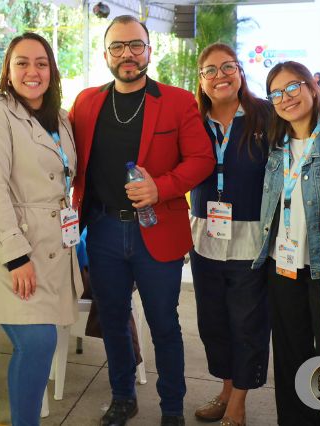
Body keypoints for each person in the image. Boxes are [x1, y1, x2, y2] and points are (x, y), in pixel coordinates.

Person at [69, 15, 214, 426]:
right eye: (117, 46)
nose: (127, 54)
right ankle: (122, 397)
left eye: (135, 45)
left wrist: (161, 187)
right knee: (113, 319)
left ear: (149, 51)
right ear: (106, 55)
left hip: (158, 229)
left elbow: (201, 159)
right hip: (102, 231)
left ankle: (172, 409)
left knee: (164, 323)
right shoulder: (86, 103)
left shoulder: (177, 101)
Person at [0, 32, 81, 426]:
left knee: (43, 340)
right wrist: (16, 257)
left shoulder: (60, 118)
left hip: (51, 245)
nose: (33, 71)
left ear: (52, 70)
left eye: (41, 63)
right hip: (5, 248)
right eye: (22, 63)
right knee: (37, 341)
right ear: (8, 71)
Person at [189, 43, 271, 426]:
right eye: (210, 70)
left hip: (250, 240)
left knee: (247, 324)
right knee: (214, 323)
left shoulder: (265, 116)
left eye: (228, 67)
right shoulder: (192, 121)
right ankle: (225, 389)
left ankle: (238, 402)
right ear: (201, 79)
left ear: (240, 72)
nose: (220, 76)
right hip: (204, 238)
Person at [253, 61, 320, 426]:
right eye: (276, 93)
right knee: (289, 352)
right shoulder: (274, 143)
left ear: (313, 87)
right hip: (282, 263)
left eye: (293, 87)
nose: (286, 98)